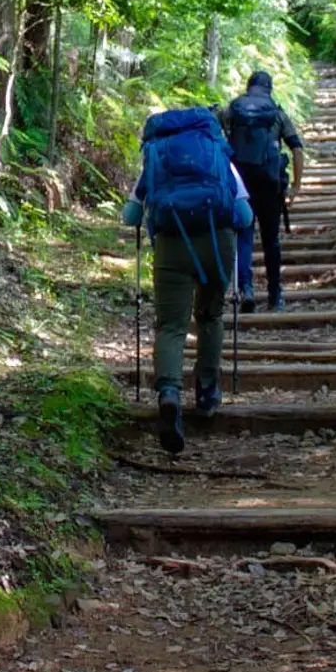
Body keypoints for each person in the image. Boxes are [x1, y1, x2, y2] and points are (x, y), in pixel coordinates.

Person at [123, 106, 255, 454]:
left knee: (170, 326)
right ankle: (208, 393)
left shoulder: (156, 159)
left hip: (171, 246)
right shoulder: (219, 157)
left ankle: (169, 394)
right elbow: (243, 214)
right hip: (216, 242)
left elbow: (130, 216)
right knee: (210, 316)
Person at [219, 69, 306, 313]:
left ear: (249, 87)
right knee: (271, 239)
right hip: (269, 182)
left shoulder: (233, 109)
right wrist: (296, 186)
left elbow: (218, 139)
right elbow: (297, 149)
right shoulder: (276, 112)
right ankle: (275, 295)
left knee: (243, 234)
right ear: (269, 89)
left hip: (239, 182)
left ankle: (245, 289)